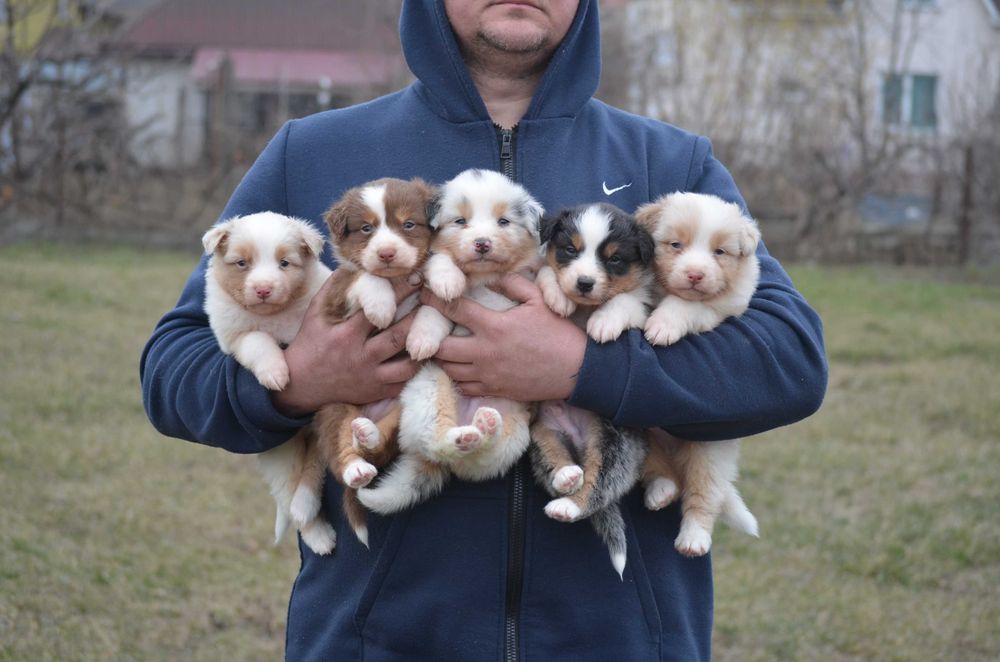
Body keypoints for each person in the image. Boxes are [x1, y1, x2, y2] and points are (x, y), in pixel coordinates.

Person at [140, 1, 827, 659]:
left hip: (622, 641)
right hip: (375, 643)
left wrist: (583, 368)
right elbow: (172, 369)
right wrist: (298, 385)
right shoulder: (313, 151)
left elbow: (790, 361)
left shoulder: (669, 166)